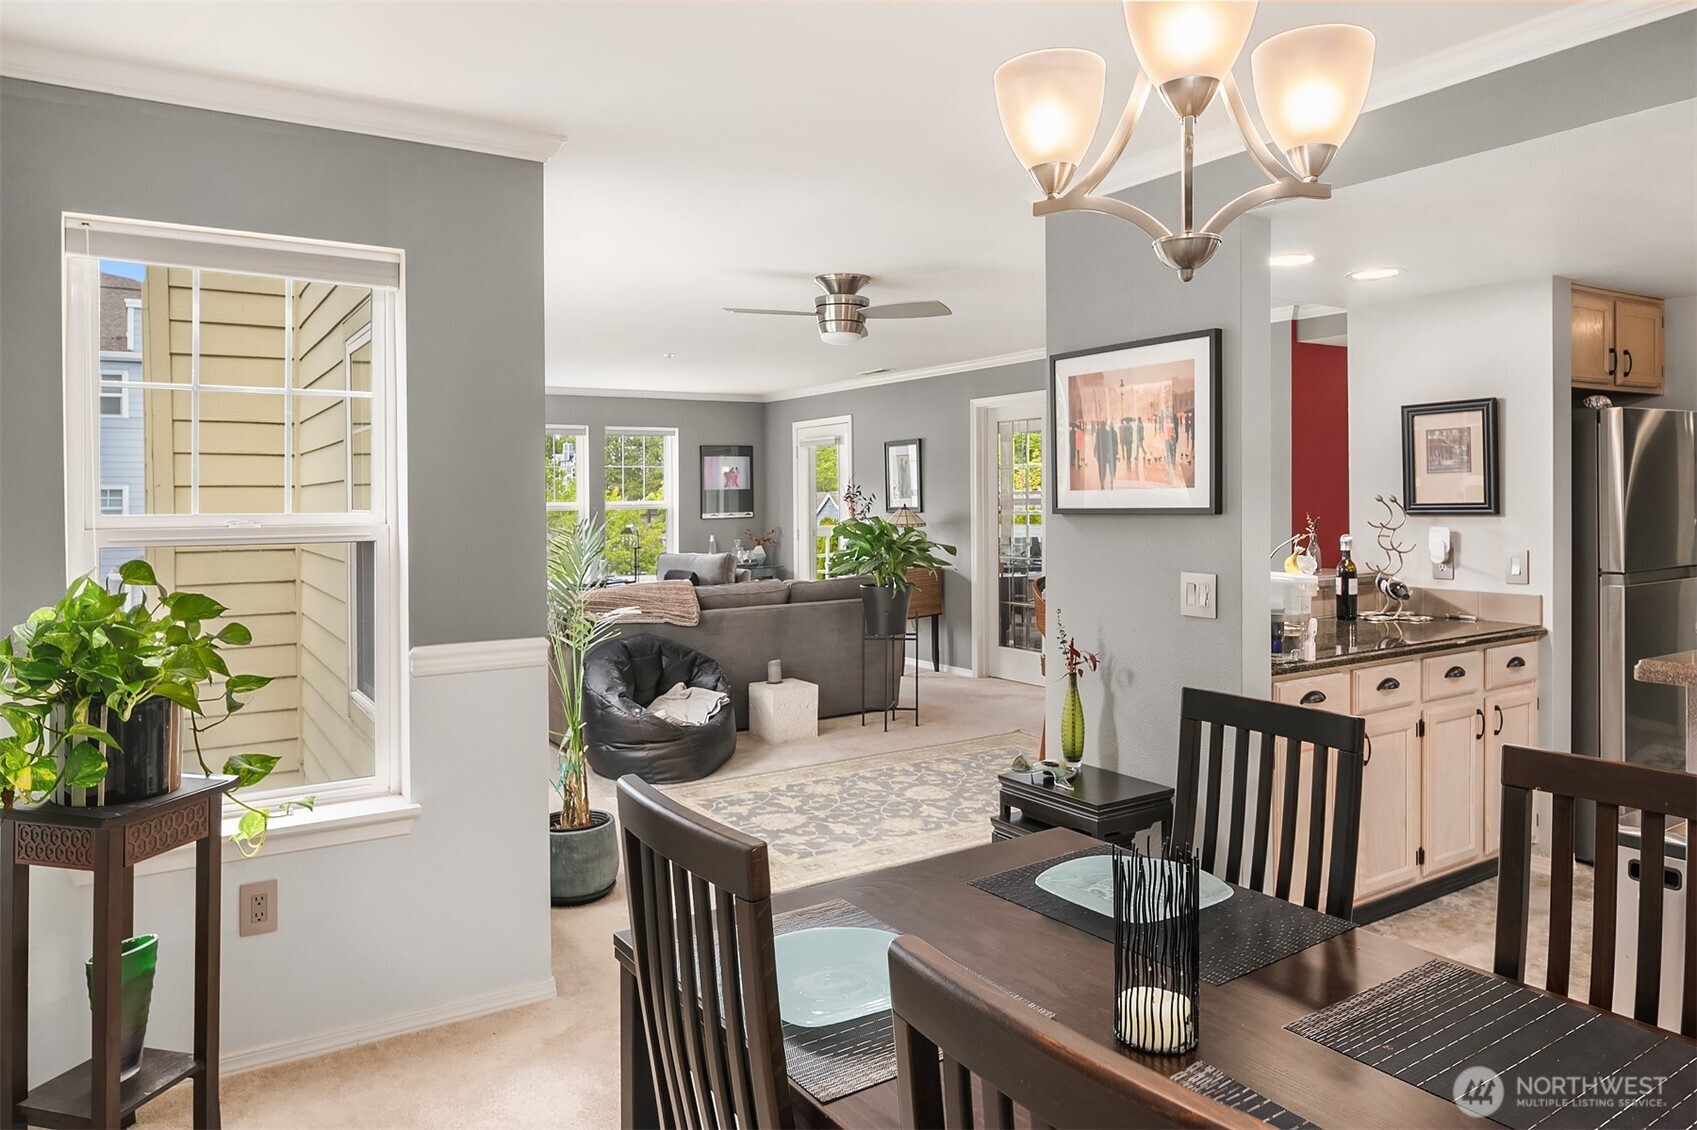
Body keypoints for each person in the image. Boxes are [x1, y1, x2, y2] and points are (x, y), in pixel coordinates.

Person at [1093, 419, 1119, 491]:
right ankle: (1110, 479)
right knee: (1106, 467)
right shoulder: (1107, 432)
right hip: (1105, 453)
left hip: (1100, 453)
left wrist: (1095, 451)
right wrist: (1109, 452)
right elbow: (1108, 444)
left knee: (1101, 468)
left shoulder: (1098, 432)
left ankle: (1102, 480)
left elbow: (1096, 442)